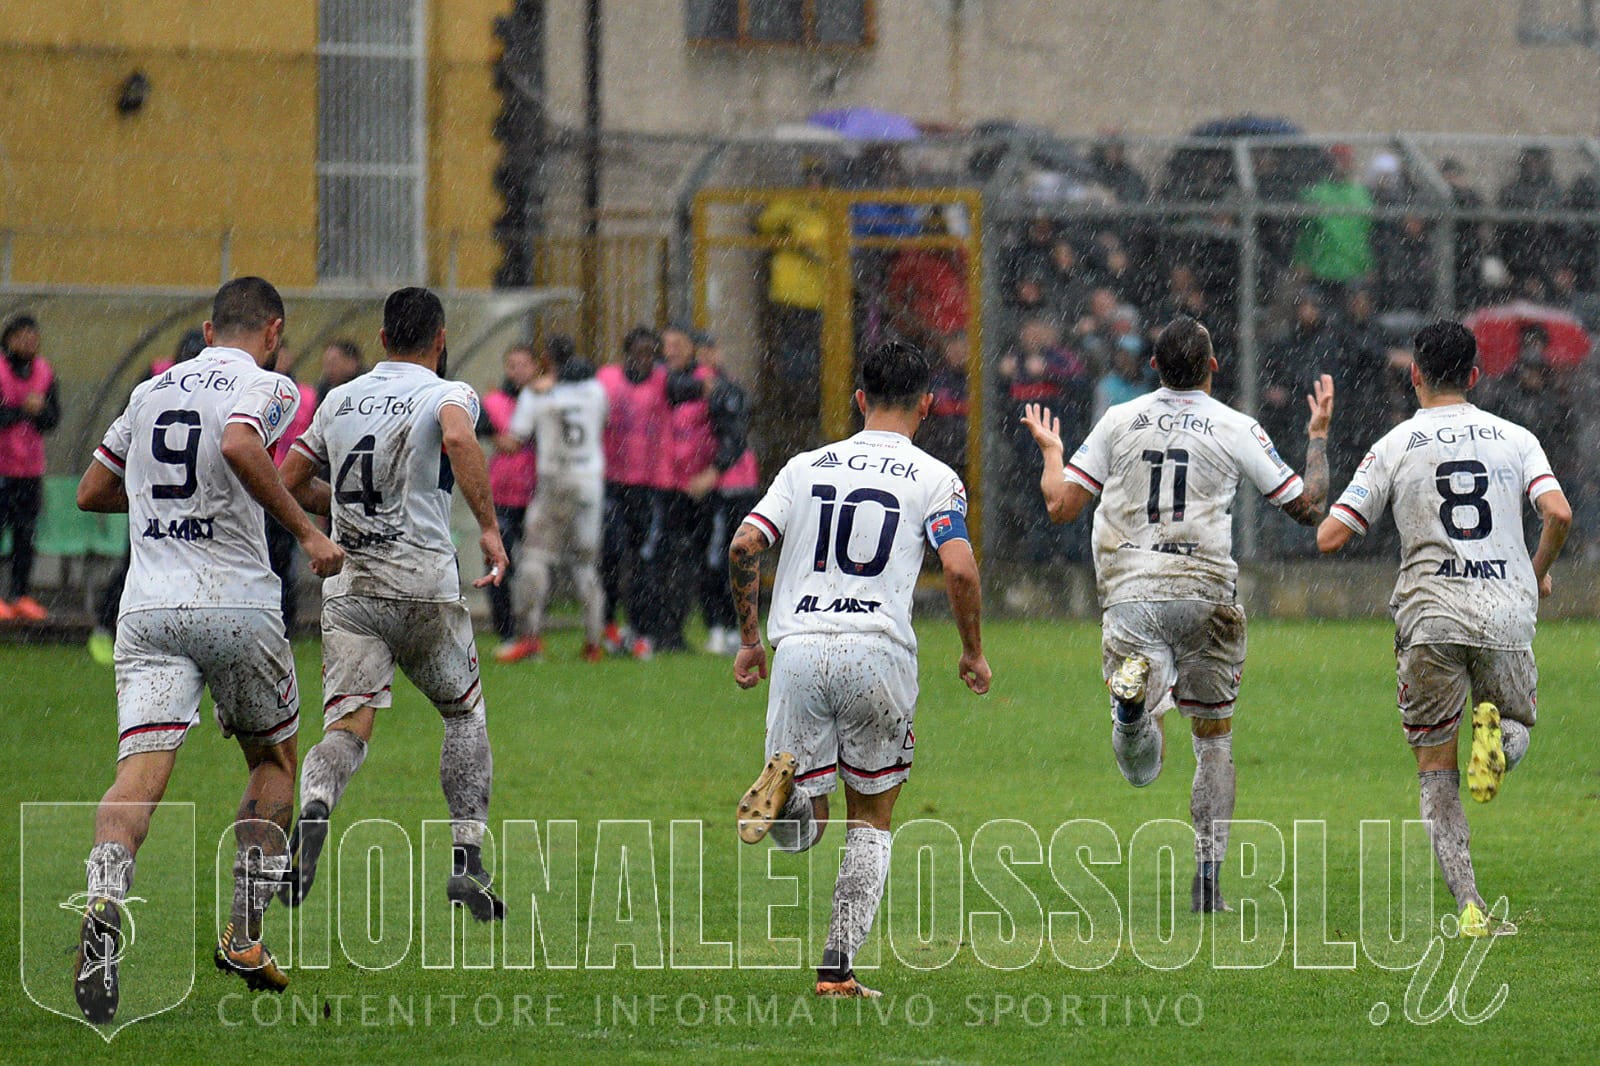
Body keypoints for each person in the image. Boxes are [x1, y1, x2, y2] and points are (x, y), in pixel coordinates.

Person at [70, 277, 344, 1020]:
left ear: (208, 328)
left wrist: (163, 510)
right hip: (235, 602)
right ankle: (243, 936)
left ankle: (103, 898)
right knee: (273, 763)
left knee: (137, 779)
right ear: (273, 331)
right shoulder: (270, 385)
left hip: (149, 607)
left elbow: (92, 490)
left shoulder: (150, 391)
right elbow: (238, 442)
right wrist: (308, 532)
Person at [1022, 316, 1333, 912]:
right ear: (1213, 366)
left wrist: (1052, 453)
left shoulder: (1119, 419)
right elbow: (1308, 506)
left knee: (1141, 767)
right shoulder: (1236, 425)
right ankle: (1208, 883)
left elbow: (1061, 505)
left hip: (1132, 590)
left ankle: (1131, 715)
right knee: (1214, 739)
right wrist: (1317, 436)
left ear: (1153, 367)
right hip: (1205, 592)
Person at [728, 340, 990, 998]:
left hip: (798, 647)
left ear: (860, 398)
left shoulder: (804, 467)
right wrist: (972, 650)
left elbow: (745, 543)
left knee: (806, 826)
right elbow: (959, 570)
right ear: (927, 405)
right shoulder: (935, 477)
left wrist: (751, 638)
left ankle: (788, 796)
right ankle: (836, 968)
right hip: (877, 651)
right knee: (869, 817)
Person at [1317, 321, 1571, 938]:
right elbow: (1558, 512)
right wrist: (1535, 571)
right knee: (1517, 725)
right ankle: (1499, 741)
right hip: (1504, 612)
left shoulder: (1395, 443)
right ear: (1476, 376)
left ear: (1414, 375)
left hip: (1429, 617)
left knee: (1436, 768)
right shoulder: (1517, 438)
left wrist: (1322, 449)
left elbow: (1330, 537)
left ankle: (1470, 907)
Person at [276, 288, 509, 922]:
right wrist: (489, 529)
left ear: (381, 339)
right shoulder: (448, 393)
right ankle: (467, 861)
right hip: (421, 581)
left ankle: (317, 805)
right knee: (463, 715)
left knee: (346, 730)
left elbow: (288, 479)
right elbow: (458, 437)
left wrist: (342, 511)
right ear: (440, 339)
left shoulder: (337, 399)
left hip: (352, 587)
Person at [89, 328, 207, 663]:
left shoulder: (202, 388)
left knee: (176, 562)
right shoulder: (154, 380)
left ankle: (169, 634)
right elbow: (129, 427)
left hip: (185, 497)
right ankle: (105, 625)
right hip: (156, 494)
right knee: (137, 562)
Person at [496, 336, 609, 663]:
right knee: (585, 563)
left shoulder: (536, 393)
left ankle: (529, 637)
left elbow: (515, 440)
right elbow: (603, 421)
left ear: (546, 358)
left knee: (535, 557)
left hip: (556, 481)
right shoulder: (596, 390)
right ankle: (593, 642)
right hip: (590, 483)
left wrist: (484, 428)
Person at [597, 327, 670, 659]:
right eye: (639, 353)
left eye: (650, 354)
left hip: (647, 484)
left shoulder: (663, 382)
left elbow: (693, 386)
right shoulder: (607, 379)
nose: (644, 360)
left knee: (644, 561)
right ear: (627, 353)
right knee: (611, 554)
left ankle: (641, 629)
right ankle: (608, 625)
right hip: (612, 481)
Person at [688, 330, 759, 656]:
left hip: (732, 486)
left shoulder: (724, 389)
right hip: (717, 486)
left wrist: (713, 471)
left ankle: (728, 627)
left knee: (724, 557)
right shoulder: (690, 387)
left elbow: (734, 437)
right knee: (718, 557)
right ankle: (723, 627)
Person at [654, 325, 720, 653]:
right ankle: (656, 629)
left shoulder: (710, 380)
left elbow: (725, 426)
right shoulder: (659, 379)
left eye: (678, 344)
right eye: (666, 344)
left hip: (695, 486)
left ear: (692, 347)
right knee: (660, 556)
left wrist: (713, 471)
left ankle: (680, 628)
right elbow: (674, 389)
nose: (671, 350)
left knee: (692, 557)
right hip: (661, 482)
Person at [0, 314, 63, 621]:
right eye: (23, 337)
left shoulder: (44, 372)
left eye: (33, 338)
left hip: (29, 470)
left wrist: (41, 411)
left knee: (25, 535)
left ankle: (19, 595)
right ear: (9, 339)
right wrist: (19, 410)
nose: (29, 343)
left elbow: (52, 419)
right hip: (2, 468)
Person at [481, 343, 541, 647]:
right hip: (502, 494)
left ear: (535, 367)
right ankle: (505, 632)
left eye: (524, 364)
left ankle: (531, 631)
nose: (518, 371)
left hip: (537, 495)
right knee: (498, 562)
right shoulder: (492, 402)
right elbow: (497, 439)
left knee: (533, 566)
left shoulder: (544, 398)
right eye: (512, 365)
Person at [1294, 144, 1376, 300]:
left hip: (1355, 270)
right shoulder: (1314, 194)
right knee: (1312, 310)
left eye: (1347, 159)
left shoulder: (1362, 194)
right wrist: (1301, 261)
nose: (1343, 163)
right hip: (1320, 270)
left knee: (1358, 308)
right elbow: (1305, 233)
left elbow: (1369, 234)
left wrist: (1370, 265)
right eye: (1339, 159)